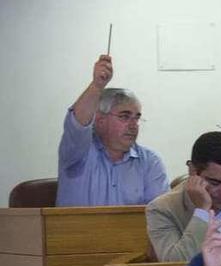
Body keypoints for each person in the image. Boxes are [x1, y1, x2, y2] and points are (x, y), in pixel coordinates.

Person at [56, 54, 168, 206]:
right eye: (124, 116)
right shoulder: (77, 153)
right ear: (100, 120)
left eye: (136, 117)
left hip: (130, 230)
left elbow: (159, 217)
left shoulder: (150, 162)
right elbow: (77, 124)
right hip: (79, 230)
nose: (133, 125)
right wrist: (97, 86)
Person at [146, 132, 221, 262]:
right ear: (193, 171)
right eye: (215, 183)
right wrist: (202, 212)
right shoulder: (162, 209)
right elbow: (174, 265)